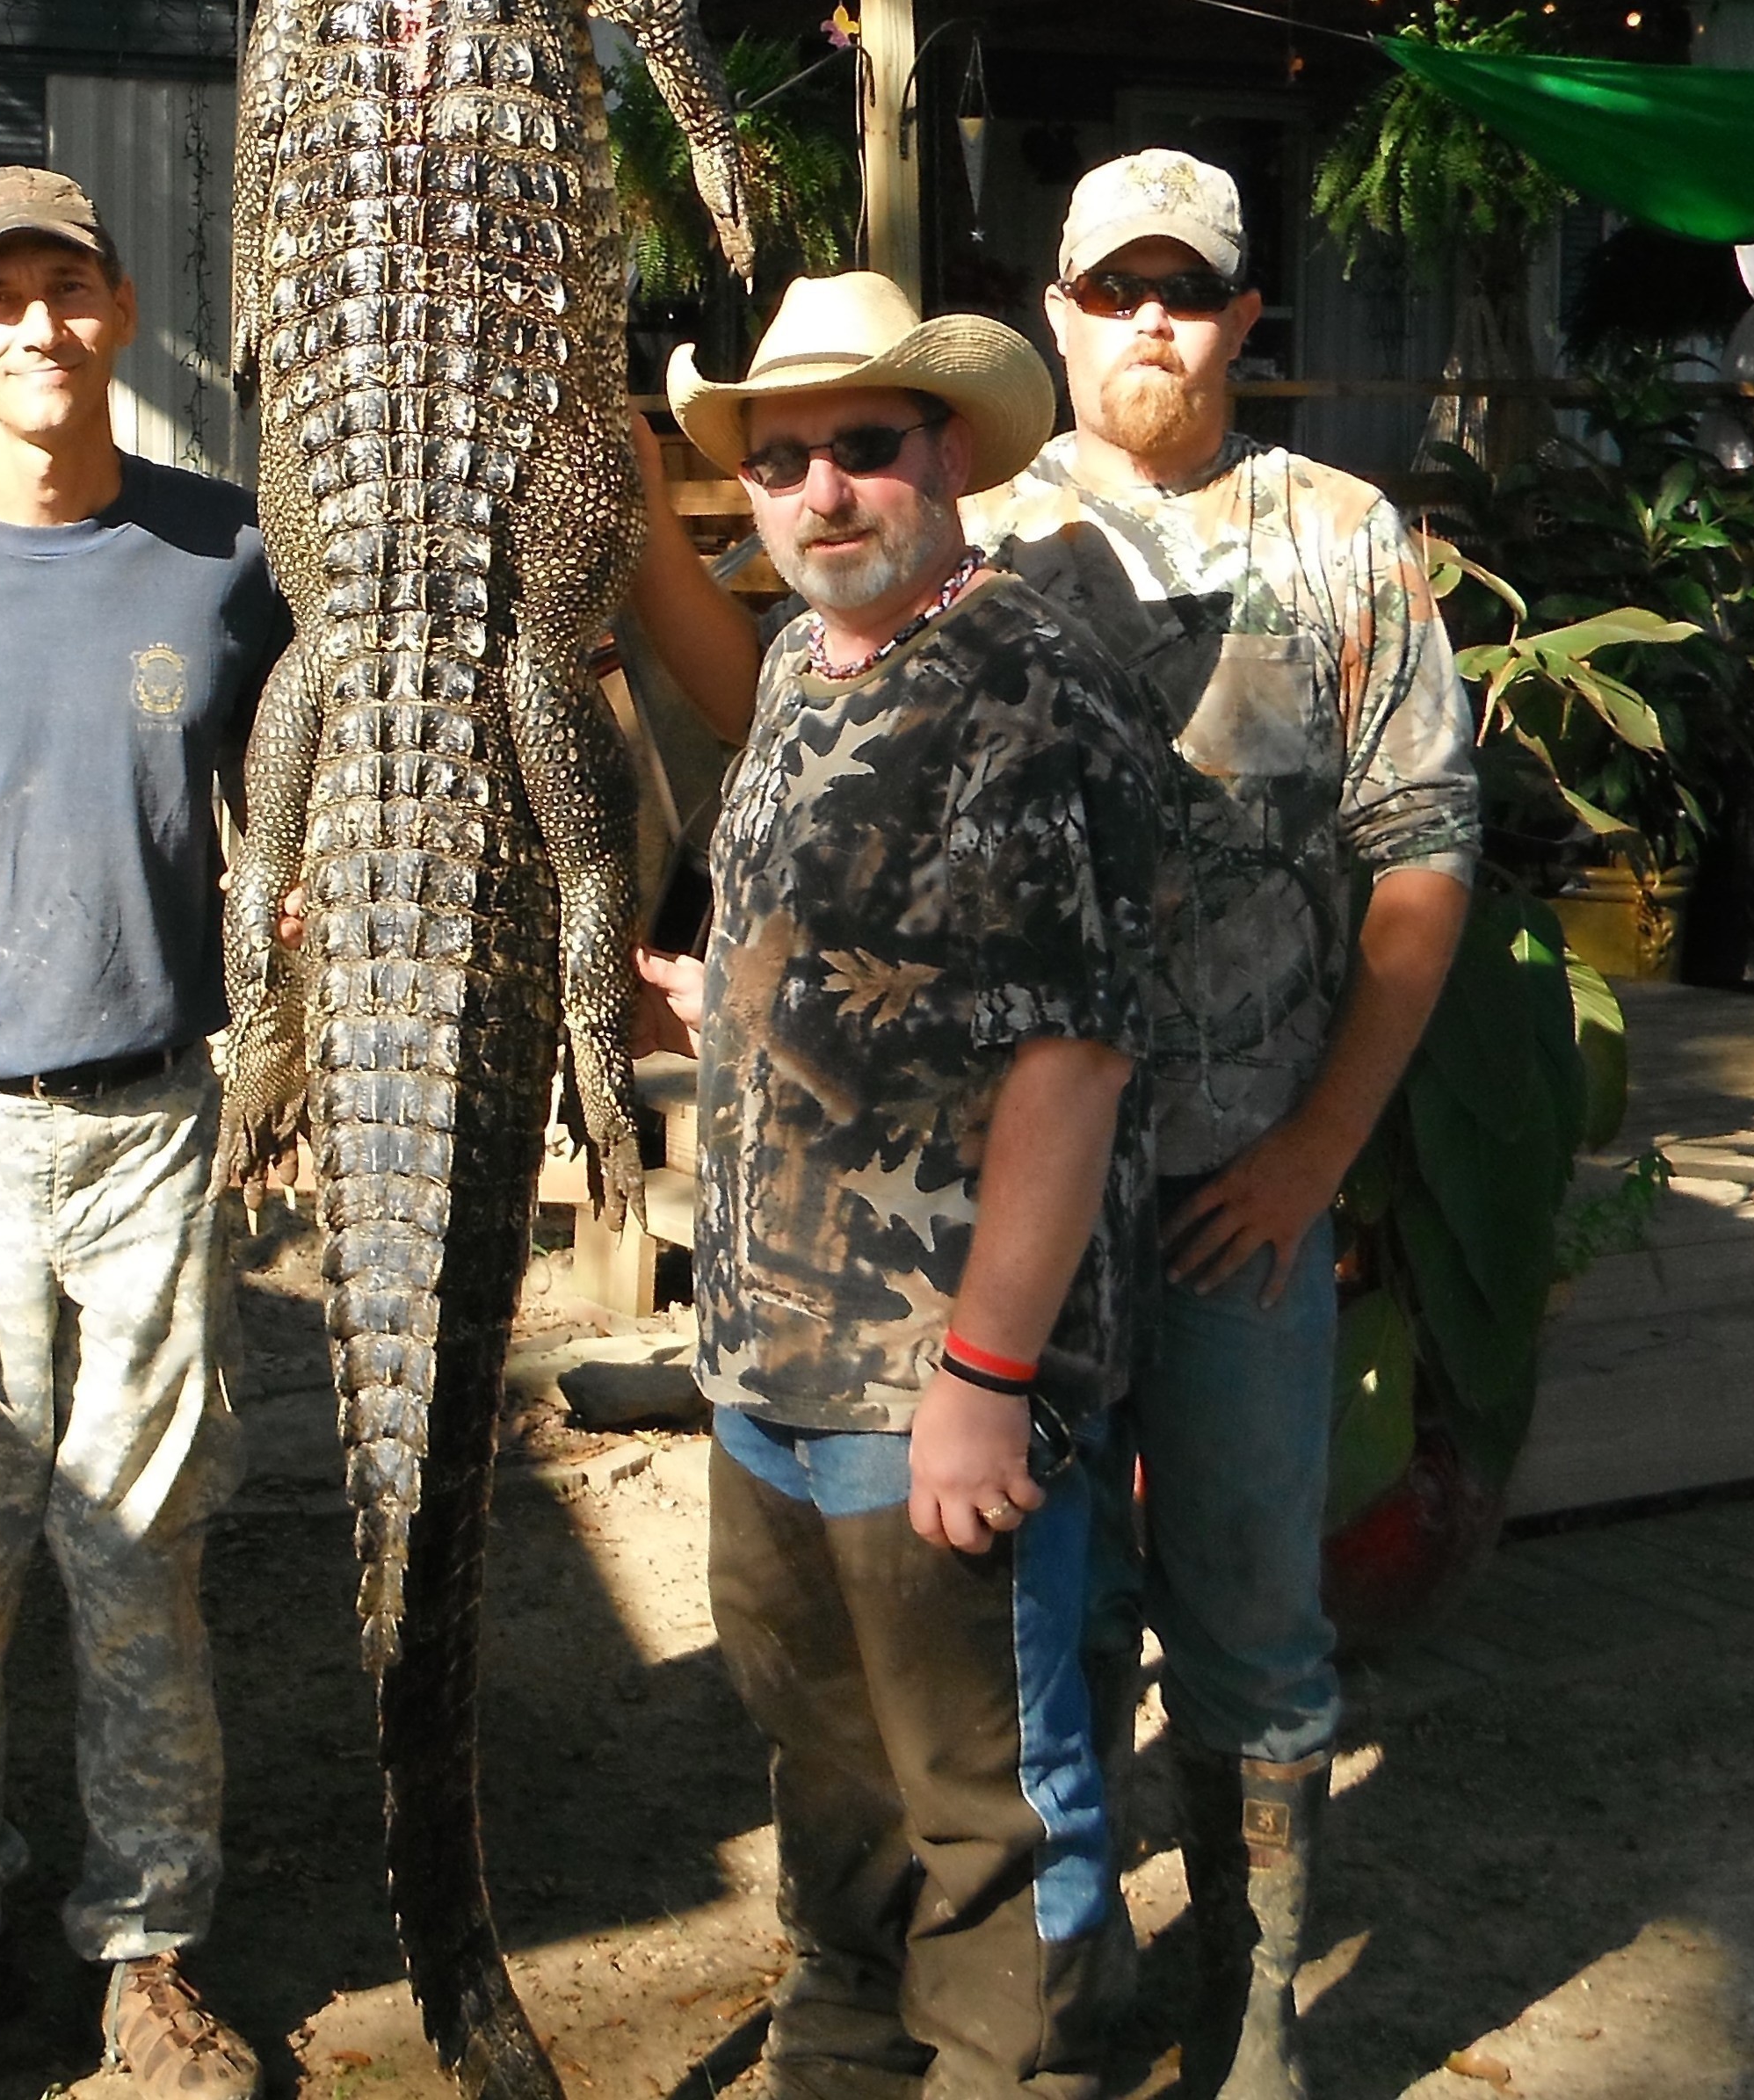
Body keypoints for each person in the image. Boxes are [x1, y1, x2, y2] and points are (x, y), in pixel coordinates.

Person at [629, 158, 1480, 2100]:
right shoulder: (948, 539)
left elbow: (1419, 860)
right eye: (1116, 288)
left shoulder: (1321, 545)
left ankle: (1243, 1991)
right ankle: (1010, 2001)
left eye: (1192, 290)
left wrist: (1318, 1154)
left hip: (1224, 1176)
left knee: (1244, 1610)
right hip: (1008, 1235)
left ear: (1247, 320)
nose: (1155, 320)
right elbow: (795, 761)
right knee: (1043, 1643)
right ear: (1062, 309)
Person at [628, 272, 1177, 2100]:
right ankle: (845, 2061)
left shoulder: (1027, 683)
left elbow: (1070, 1059)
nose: (820, 493)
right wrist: (735, 997)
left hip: (928, 1374)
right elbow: (882, 964)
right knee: (828, 1768)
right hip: (768, 1360)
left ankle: (1026, 2072)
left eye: (861, 450)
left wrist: (987, 1381)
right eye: (780, 463)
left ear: (946, 454)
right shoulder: (802, 661)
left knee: (992, 1805)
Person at [0, 167, 288, 2100]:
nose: (35, 327)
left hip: (159, 1119)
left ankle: (150, 1946)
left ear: (120, 311)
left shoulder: (232, 557)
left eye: (67, 288)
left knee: (141, 1552)